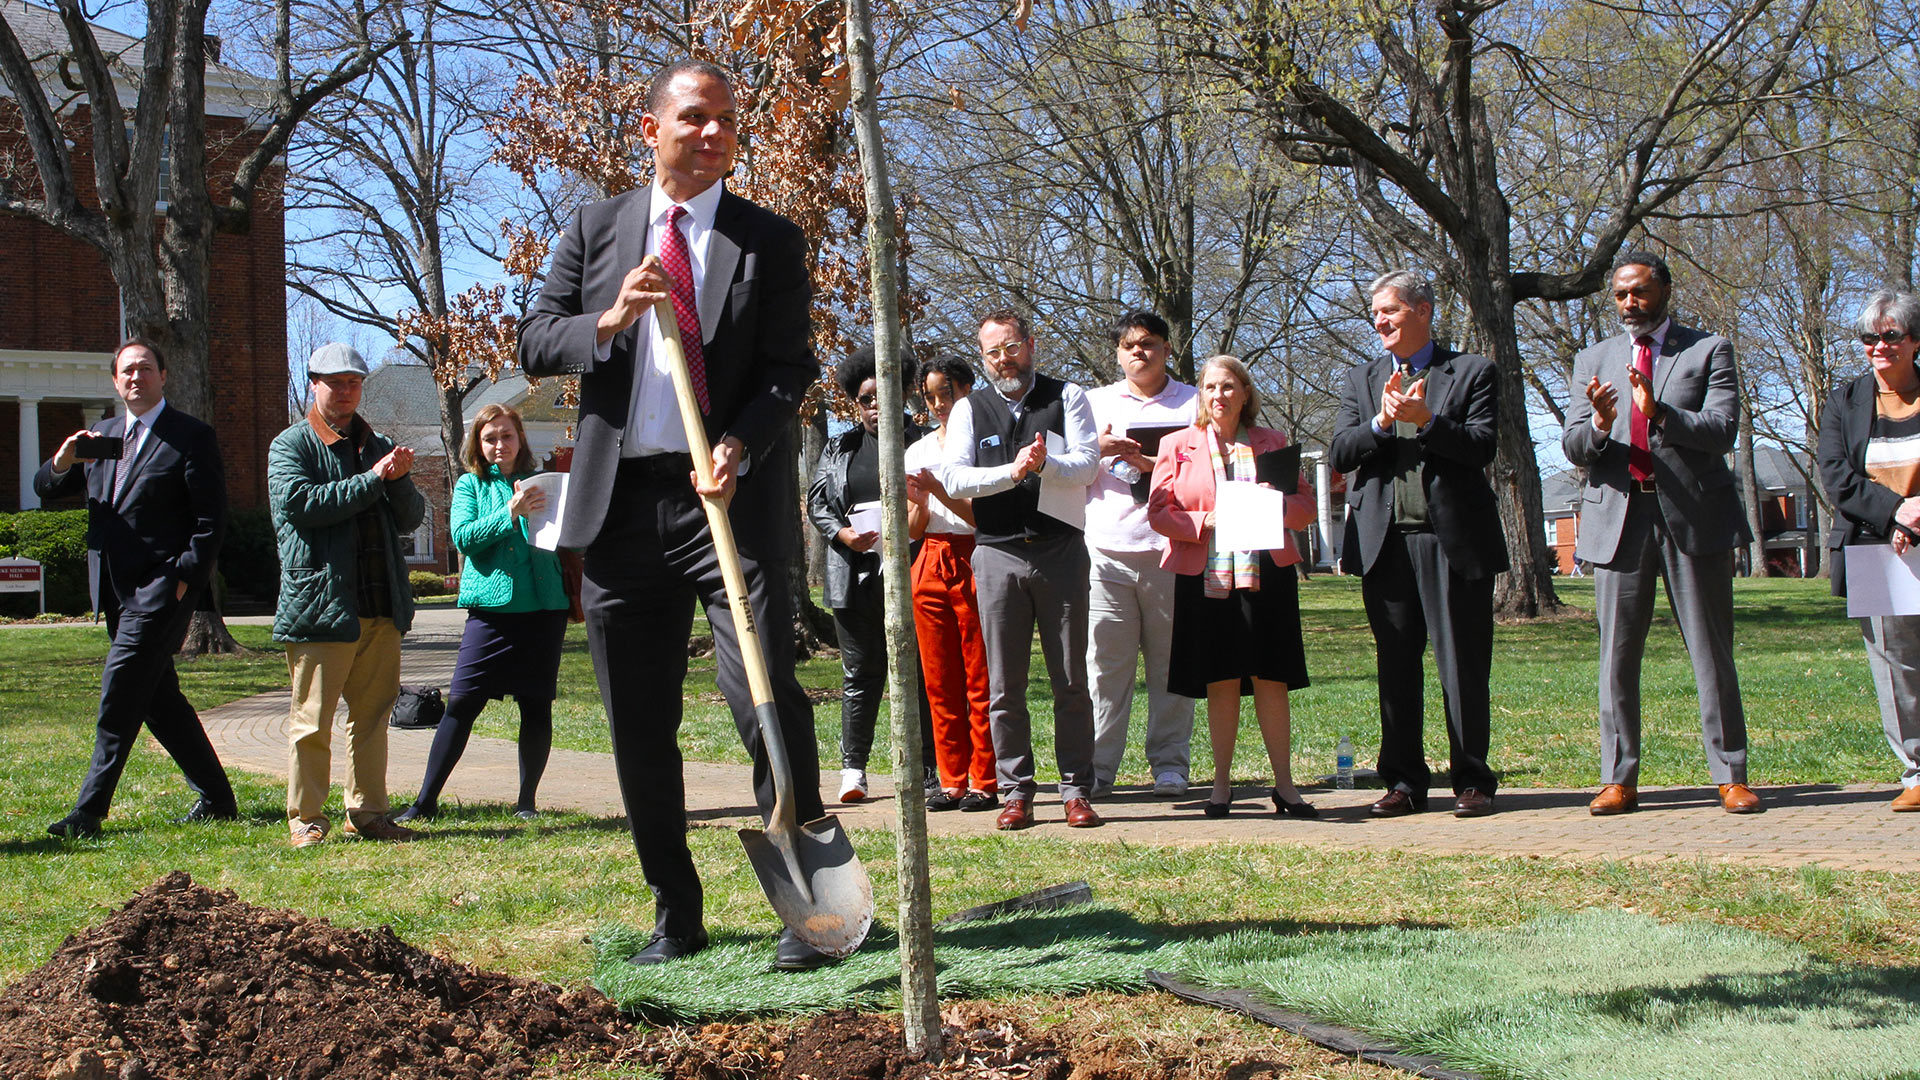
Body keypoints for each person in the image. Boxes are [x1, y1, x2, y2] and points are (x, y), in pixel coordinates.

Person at [516, 59, 830, 971]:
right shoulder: (597, 228)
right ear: (651, 128)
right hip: (620, 509)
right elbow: (536, 338)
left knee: (762, 694)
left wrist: (742, 442)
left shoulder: (767, 238)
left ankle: (807, 906)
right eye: (695, 118)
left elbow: (789, 368)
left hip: (726, 502)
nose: (714, 133)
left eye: (727, 121)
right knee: (637, 720)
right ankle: (675, 912)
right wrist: (607, 319)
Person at [1563, 252, 1759, 816]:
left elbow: (1722, 430)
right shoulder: (1592, 358)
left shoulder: (1707, 349)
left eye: (1640, 292)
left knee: (1711, 651)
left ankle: (1730, 775)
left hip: (1692, 519)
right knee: (1616, 656)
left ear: (1665, 289)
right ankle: (1618, 779)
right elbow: (1574, 446)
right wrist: (1600, 425)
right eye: (1621, 294)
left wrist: (1661, 411)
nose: (1630, 303)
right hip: (1618, 521)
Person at [36, 340, 237, 839]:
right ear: (114, 381)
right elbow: (46, 488)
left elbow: (211, 520)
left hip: (161, 587)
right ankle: (218, 798)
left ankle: (89, 810)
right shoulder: (100, 436)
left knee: (121, 687)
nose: (135, 378)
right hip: (113, 590)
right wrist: (63, 461)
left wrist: (183, 577)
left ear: (163, 376)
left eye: (145, 369)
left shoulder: (190, 436)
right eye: (127, 371)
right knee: (157, 697)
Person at [1330, 270, 1504, 818]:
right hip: (1385, 544)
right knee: (1396, 666)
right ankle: (1404, 781)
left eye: (1390, 311)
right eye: (1375, 314)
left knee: (1463, 666)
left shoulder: (1472, 371)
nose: (1379, 321)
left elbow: (1481, 448)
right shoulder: (1361, 379)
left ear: (1422, 311)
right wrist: (1382, 423)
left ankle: (1472, 780)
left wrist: (1427, 421)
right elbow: (1339, 452)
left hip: (1452, 541)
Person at [939, 309, 1103, 830]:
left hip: (1060, 550)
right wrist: (1010, 474)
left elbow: (1089, 464)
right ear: (982, 357)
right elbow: (956, 479)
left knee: (1071, 679)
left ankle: (1076, 790)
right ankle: (1016, 792)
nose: (1004, 359)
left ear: (1031, 344)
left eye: (1012, 347)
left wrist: (1045, 465)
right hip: (997, 553)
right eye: (993, 352)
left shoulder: (1067, 396)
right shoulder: (969, 408)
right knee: (1004, 686)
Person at [269, 342, 427, 847]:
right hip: (322, 605)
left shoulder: (377, 444)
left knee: (374, 717)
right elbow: (302, 505)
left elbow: (410, 518)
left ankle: (369, 813)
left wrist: (398, 481)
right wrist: (372, 479)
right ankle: (306, 820)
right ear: (313, 383)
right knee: (312, 719)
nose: (345, 391)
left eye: (353, 383)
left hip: (380, 604)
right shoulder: (290, 445)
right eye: (334, 382)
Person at [1150, 355, 1318, 818]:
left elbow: (1306, 509)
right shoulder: (1176, 445)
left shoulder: (1273, 443)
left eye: (1228, 387)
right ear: (1200, 396)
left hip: (1268, 577)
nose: (1218, 395)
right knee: (1220, 679)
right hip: (1206, 579)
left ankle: (1285, 787)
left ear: (1245, 394)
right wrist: (1206, 519)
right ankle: (1221, 786)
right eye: (1209, 387)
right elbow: (1159, 513)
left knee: (1271, 678)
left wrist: (1276, 505)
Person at [396, 404, 568, 823]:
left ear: (519, 440)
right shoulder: (470, 486)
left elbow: (569, 534)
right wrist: (511, 512)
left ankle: (526, 801)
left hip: (544, 610)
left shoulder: (541, 482)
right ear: (477, 444)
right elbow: (464, 539)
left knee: (536, 705)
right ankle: (425, 802)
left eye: (507, 436)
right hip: (491, 613)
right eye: (490, 438)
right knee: (461, 704)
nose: (499, 445)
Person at [806, 347, 931, 803]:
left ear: (902, 394)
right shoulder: (840, 447)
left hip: (916, 573)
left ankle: (928, 770)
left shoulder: (926, 441)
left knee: (918, 672)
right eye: (866, 398)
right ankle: (853, 771)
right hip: (854, 577)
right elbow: (818, 503)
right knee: (861, 673)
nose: (876, 404)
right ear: (855, 403)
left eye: (885, 394)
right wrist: (841, 534)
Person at [1083, 311, 1199, 798]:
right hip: (1106, 551)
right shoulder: (1091, 404)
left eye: (1149, 343)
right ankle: (1096, 768)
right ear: (1117, 353)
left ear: (1167, 349)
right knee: (1105, 669)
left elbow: (1211, 473)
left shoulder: (1195, 403)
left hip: (1171, 551)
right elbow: (1064, 471)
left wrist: (1155, 464)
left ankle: (1170, 764)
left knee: (1171, 665)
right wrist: (1098, 449)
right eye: (1129, 345)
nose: (1139, 352)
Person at [1816, 289, 1920, 812]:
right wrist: (1895, 513)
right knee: (1895, 663)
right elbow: (1837, 474)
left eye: (1891, 336)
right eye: (1869, 338)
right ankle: (1916, 772)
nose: (1878, 347)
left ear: (1914, 341)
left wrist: (1916, 513)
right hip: (1876, 546)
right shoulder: (1846, 400)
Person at [906, 354, 996, 812]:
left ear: (967, 390)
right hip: (930, 561)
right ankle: (950, 778)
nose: (940, 404)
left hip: (974, 556)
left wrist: (943, 492)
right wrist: (921, 501)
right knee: (939, 680)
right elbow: (912, 529)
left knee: (979, 675)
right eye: (931, 396)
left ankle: (985, 777)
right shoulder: (918, 450)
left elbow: (981, 519)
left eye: (948, 393)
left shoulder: (983, 444)